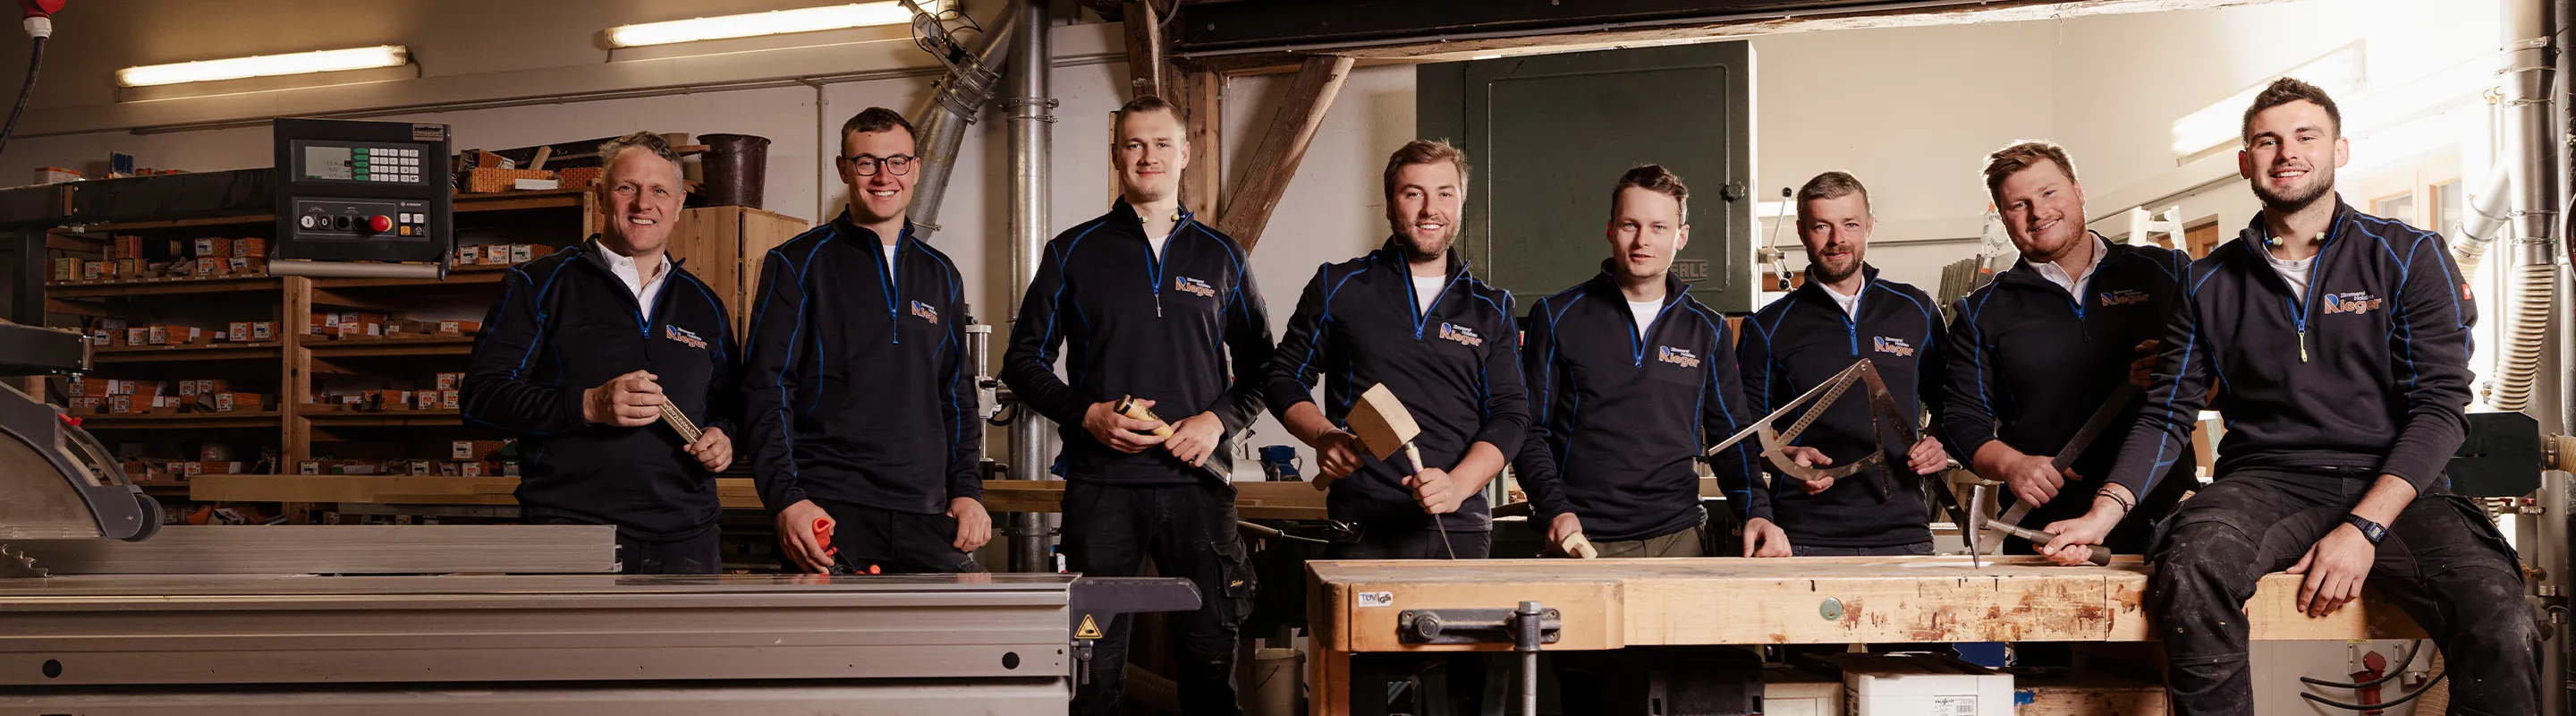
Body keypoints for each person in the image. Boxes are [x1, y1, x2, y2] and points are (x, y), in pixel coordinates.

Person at [2041, 77, 2538, 715]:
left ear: (2340, 150)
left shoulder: (2408, 254)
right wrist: (2101, 515)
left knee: (2500, 613)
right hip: (2268, 483)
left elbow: (2441, 407)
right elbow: (2168, 410)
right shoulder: (2207, 280)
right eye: (2267, 141)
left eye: (2306, 137)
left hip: (2397, 484)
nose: (2287, 154)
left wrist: (2365, 526)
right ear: (2246, 162)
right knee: (2191, 568)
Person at [1000, 95, 1273, 716]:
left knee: (1209, 666)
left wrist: (1217, 420)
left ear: (1185, 154)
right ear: (1117, 156)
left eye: (1160, 144)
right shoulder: (1072, 252)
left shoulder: (1221, 255)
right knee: (1091, 671)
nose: (1147, 156)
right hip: (1102, 492)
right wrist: (1086, 415)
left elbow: (1264, 370)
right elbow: (1023, 362)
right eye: (1133, 144)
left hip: (1198, 489)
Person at [461, 131, 740, 575]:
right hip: (571, 534)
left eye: (659, 191)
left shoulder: (704, 304)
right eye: (627, 187)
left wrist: (725, 437)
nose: (643, 204)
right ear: (600, 195)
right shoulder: (540, 285)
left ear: (680, 203)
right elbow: (480, 400)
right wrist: (588, 404)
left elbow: (731, 406)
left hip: (688, 538)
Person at [743, 107, 987, 575]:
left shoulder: (941, 274)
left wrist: (967, 491)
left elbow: (956, 395)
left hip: (926, 510)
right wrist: (786, 499)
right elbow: (767, 388)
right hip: (828, 510)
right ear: (843, 169)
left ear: (916, 169)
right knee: (829, 650)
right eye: (866, 162)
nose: (883, 176)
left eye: (897, 161)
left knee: (938, 647)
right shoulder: (798, 262)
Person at [1266, 139, 1530, 560]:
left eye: (1445, 194)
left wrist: (1459, 485)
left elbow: (1511, 414)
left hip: (1458, 528)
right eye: (1414, 194)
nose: (1431, 210)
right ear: (1390, 205)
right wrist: (1326, 438)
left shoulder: (1491, 307)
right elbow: (1283, 377)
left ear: (1461, 204)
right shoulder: (1339, 286)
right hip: (1362, 527)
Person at [1942, 141, 2191, 556]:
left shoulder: (2166, 273)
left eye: (2048, 192)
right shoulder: (1981, 311)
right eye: (2018, 205)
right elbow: (1960, 418)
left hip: (2165, 524)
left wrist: (2181, 367)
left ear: (2078, 191)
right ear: (2004, 219)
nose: (2038, 212)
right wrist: (2011, 465)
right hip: (2044, 533)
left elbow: (2230, 376)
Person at [1514, 164, 1757, 558]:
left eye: (1659, 227)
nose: (1643, 240)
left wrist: (1757, 512)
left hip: (1679, 538)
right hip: (1582, 539)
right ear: (1611, 230)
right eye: (1630, 225)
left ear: (1682, 237)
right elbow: (1530, 428)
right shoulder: (1557, 316)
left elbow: (1732, 438)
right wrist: (1554, 507)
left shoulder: (1707, 330)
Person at [1734, 171, 1949, 558]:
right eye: (1822, 226)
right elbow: (1746, 429)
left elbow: (1954, 404)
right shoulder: (1767, 327)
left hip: (1904, 536)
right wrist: (1788, 456)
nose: (1838, 240)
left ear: (1869, 225)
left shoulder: (1916, 310)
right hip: (1804, 536)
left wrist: (1940, 442)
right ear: (1801, 232)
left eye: (1850, 224)